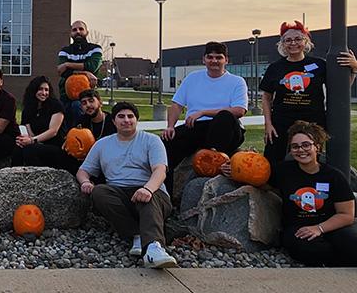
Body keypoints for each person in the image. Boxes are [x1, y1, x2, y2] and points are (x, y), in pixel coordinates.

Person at [76, 102, 177, 269]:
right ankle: (136, 234)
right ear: (114, 121)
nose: (126, 120)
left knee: (147, 199)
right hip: (119, 194)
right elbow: (83, 171)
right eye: (121, 116)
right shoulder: (102, 144)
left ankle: (153, 248)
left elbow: (160, 170)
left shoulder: (152, 141)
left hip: (152, 191)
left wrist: (147, 189)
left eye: (130, 116)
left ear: (137, 120)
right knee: (99, 192)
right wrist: (85, 182)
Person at [260, 21, 357, 165]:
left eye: (298, 39)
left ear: (306, 42)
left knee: (310, 158)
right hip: (281, 120)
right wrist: (268, 123)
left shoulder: (319, 65)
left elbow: (339, 90)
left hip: (313, 119)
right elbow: (267, 97)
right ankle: (274, 187)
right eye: (288, 40)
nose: (293, 43)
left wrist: (354, 69)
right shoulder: (275, 68)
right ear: (282, 44)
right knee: (274, 160)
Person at [162, 41, 248, 194]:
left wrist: (203, 112)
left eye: (219, 57)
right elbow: (176, 104)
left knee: (224, 117)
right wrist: (170, 126)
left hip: (226, 129)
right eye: (210, 57)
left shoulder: (237, 81)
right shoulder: (192, 78)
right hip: (196, 127)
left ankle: (216, 160)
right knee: (165, 145)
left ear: (226, 60)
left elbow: (239, 110)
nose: (214, 61)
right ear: (204, 59)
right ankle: (165, 195)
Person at [269, 121, 357, 266]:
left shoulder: (333, 176)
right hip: (298, 228)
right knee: (310, 250)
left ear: (317, 147)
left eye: (306, 145)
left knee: (352, 244)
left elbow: (346, 215)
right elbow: (256, 176)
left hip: (331, 225)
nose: (301, 150)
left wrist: (319, 228)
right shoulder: (282, 171)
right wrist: (231, 167)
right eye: (295, 146)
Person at [11, 76, 66, 168]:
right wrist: (24, 140)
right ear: (33, 90)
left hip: (55, 146)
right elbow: (29, 132)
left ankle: (39, 178)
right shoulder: (28, 109)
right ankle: (15, 177)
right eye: (40, 89)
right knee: (18, 148)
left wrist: (33, 140)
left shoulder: (56, 105)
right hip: (36, 144)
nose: (44, 93)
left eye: (46, 90)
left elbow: (53, 131)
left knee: (30, 149)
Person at [57, 20, 102, 128]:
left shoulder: (95, 49)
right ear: (70, 33)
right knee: (59, 115)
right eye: (74, 30)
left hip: (87, 94)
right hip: (65, 95)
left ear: (87, 32)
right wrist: (85, 72)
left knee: (78, 107)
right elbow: (62, 72)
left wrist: (68, 64)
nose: (78, 32)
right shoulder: (65, 51)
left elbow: (92, 66)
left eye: (81, 29)